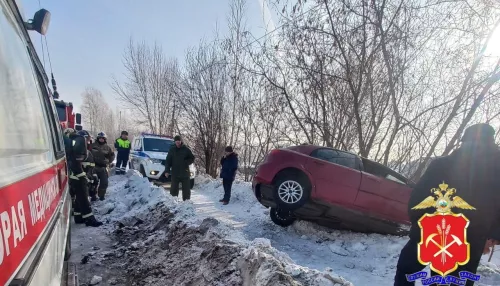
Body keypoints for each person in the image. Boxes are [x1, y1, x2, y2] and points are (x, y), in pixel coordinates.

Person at [394, 123, 500, 286]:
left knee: (407, 272)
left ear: (464, 142)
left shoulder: (441, 165)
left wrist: (422, 227)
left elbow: (418, 200)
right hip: (471, 240)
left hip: (432, 232)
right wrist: (493, 236)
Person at [66, 129, 102, 227]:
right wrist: (84, 178)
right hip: (79, 178)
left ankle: (78, 217)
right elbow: (78, 166)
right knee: (84, 199)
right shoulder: (79, 150)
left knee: (80, 199)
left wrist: (93, 177)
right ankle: (89, 219)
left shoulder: (84, 151)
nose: (88, 142)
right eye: (87, 140)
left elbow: (91, 167)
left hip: (81, 177)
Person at [163, 135, 195, 201]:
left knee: (186, 189)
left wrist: (186, 162)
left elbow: (192, 158)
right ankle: (173, 202)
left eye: (179, 142)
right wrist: (167, 171)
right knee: (174, 189)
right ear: (175, 142)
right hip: (175, 172)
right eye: (176, 142)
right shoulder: (172, 150)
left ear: (181, 141)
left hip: (185, 172)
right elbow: (168, 161)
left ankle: (186, 203)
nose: (177, 143)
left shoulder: (186, 149)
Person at [91, 132, 115, 201]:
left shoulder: (107, 148)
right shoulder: (92, 146)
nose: (101, 140)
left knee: (104, 183)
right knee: (93, 182)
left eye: (103, 138)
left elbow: (112, 155)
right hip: (94, 167)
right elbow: (87, 153)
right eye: (100, 138)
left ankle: (101, 195)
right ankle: (93, 195)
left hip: (103, 168)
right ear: (98, 138)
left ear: (105, 139)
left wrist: (109, 161)